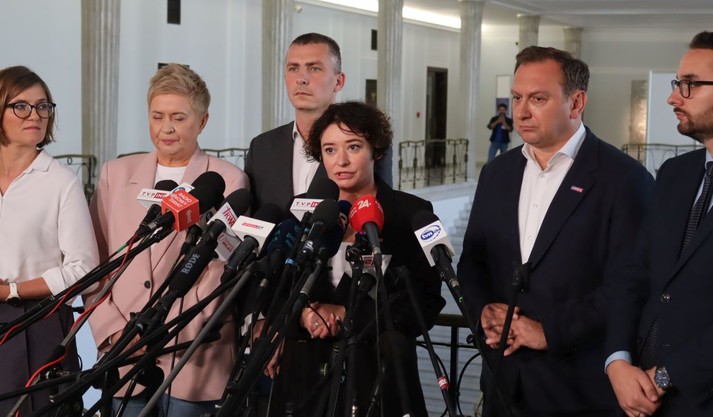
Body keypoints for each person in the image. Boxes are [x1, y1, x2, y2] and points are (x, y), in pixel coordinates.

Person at [457, 46, 654, 417]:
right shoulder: (497, 173)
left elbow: (631, 285)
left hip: (579, 391)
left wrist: (549, 331)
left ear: (576, 102)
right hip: (502, 384)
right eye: (517, 97)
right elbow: (473, 260)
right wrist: (483, 311)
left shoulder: (625, 180)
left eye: (538, 99)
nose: (521, 111)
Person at [605, 31, 713, 417]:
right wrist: (617, 361)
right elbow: (633, 276)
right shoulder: (674, 174)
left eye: (690, 85)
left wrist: (665, 377)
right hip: (638, 395)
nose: (674, 97)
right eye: (677, 84)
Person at [266, 101, 445, 417]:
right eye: (330, 150)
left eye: (353, 147)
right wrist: (303, 316)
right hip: (305, 378)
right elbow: (277, 287)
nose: (341, 161)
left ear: (376, 150)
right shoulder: (300, 209)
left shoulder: (411, 213)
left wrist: (348, 314)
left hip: (378, 379)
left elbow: (426, 301)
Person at [87, 64, 247, 417]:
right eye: (157, 116)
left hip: (194, 350)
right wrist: (114, 331)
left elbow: (222, 270)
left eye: (179, 117)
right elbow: (97, 262)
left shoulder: (229, 178)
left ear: (202, 121)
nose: (166, 128)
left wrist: (166, 330)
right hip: (123, 351)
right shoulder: (115, 174)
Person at [0, 65, 99, 415]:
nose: (35, 115)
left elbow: (85, 270)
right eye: (21, 106)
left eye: (43, 106)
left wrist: (12, 291)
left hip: (38, 321)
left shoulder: (60, 182)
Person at [244, 32, 392, 214]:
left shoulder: (366, 143)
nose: (301, 79)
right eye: (293, 68)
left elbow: (381, 211)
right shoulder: (261, 147)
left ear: (339, 81)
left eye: (314, 68)